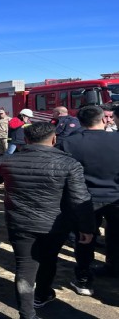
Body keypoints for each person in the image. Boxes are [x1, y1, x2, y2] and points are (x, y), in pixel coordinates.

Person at [0, 122, 95, 319]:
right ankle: (42, 293)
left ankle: (27, 313)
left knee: (24, 266)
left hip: (19, 223)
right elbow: (80, 199)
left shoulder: (6, 161)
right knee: (49, 260)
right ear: (54, 139)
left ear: (27, 140)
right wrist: (87, 228)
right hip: (54, 225)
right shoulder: (69, 164)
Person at [58, 105, 119, 295]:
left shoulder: (68, 143)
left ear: (80, 122)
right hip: (116, 197)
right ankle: (113, 267)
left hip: (83, 199)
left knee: (85, 238)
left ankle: (84, 279)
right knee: (116, 236)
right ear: (104, 119)